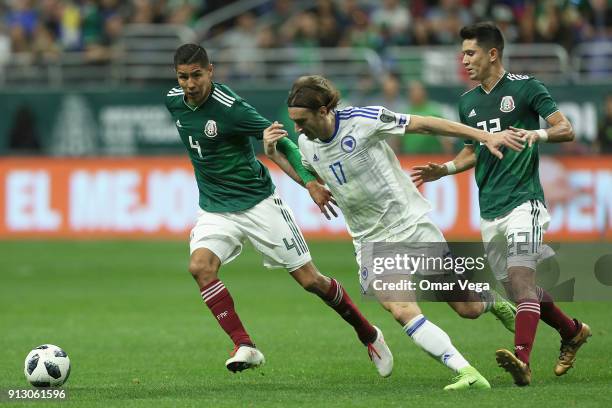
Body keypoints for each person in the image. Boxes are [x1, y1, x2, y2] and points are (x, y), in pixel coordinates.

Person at [263, 74, 526, 390]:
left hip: (410, 224)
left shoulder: (363, 120)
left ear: (323, 111)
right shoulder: (306, 143)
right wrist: (280, 159)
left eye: (302, 121)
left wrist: (483, 136)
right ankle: (466, 372)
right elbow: (313, 175)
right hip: (370, 240)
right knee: (400, 308)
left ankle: (492, 302)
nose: (297, 129)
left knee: (466, 308)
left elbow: (426, 124)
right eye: (294, 122)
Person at [164, 44, 393, 375]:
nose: (189, 84)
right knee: (200, 267)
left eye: (196, 75)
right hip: (215, 207)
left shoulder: (231, 108)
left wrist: (309, 182)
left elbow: (281, 141)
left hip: (258, 204)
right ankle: (245, 345)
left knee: (310, 280)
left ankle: (368, 332)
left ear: (210, 71)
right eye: (183, 77)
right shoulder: (174, 101)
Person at [411, 22, 592, 386]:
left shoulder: (526, 89)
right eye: (463, 53)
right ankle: (572, 331)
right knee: (516, 290)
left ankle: (522, 360)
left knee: (522, 281)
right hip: (490, 209)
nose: (464, 60)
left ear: (492, 53)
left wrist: (536, 133)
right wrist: (443, 169)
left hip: (525, 202)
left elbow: (566, 128)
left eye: (470, 53)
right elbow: (471, 152)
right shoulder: (468, 102)